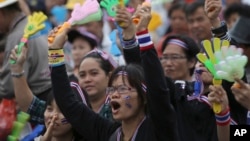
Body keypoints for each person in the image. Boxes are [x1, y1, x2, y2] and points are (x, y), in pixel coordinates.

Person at [48, 5, 179, 141]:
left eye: (122, 89)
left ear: (144, 96)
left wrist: (141, 33)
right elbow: (69, 105)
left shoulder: (160, 127)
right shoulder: (109, 133)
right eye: (112, 89)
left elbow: (157, 88)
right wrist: (55, 52)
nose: (114, 95)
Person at [0, 0, 51, 100]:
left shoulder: (16, 36)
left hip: (44, 96)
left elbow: (9, 87)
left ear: (1, 13)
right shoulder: (31, 24)